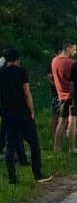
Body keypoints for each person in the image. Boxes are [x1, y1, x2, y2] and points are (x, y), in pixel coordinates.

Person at [0, 48, 52, 184]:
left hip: (7, 114)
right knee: (33, 143)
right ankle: (38, 173)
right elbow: (26, 93)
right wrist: (32, 111)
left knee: (10, 146)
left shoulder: (0, 73)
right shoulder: (21, 72)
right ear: (17, 59)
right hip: (22, 112)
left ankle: (12, 178)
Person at [52, 39, 77, 153]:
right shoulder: (71, 63)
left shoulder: (54, 60)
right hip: (71, 95)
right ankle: (71, 148)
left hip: (60, 94)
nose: (75, 52)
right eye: (74, 49)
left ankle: (56, 147)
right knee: (73, 121)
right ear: (68, 48)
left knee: (61, 122)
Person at [47, 46, 63, 140]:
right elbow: (49, 78)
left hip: (65, 93)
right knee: (55, 114)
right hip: (56, 93)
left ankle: (62, 133)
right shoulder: (52, 63)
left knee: (65, 115)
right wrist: (58, 87)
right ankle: (53, 134)